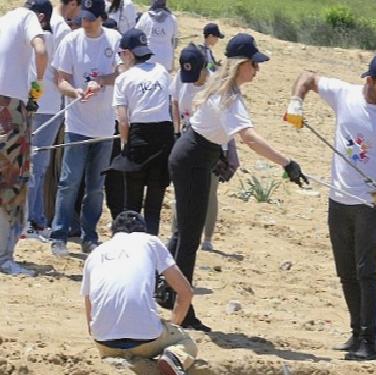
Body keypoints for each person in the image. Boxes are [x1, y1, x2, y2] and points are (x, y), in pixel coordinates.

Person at [166, 33, 307, 332]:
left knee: (184, 235)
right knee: (189, 239)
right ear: (242, 64)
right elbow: (250, 138)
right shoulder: (229, 96)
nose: (257, 70)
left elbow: (209, 126)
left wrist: (217, 154)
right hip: (192, 160)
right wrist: (287, 163)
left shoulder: (222, 86)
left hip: (195, 156)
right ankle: (183, 310)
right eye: (254, 64)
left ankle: (170, 294)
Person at [284, 52, 376, 360]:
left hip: (370, 203)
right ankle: (356, 333)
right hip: (338, 200)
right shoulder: (344, 95)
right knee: (345, 272)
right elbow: (308, 77)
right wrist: (296, 102)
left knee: (365, 271)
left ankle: (371, 339)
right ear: (368, 81)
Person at [81, 210, 197, 375]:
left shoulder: (95, 254)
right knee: (186, 342)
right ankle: (171, 357)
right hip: (146, 340)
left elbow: (89, 308)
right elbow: (185, 292)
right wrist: (173, 326)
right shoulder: (150, 241)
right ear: (143, 230)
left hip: (105, 343)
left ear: (113, 232)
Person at [49, 0, 122, 256]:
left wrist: (101, 81)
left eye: (91, 18)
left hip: (104, 125)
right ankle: (59, 234)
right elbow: (61, 80)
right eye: (83, 17)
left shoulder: (114, 39)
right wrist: (75, 92)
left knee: (95, 187)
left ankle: (89, 236)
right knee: (69, 181)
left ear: (101, 18)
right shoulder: (71, 41)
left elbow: (123, 72)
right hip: (77, 124)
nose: (86, 22)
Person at [169, 43, 239, 251]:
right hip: (187, 139)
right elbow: (174, 103)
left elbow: (227, 121)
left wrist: (229, 151)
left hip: (212, 142)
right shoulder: (181, 79)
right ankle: (177, 233)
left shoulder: (216, 84)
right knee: (181, 191)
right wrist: (176, 130)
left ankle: (207, 237)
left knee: (209, 190)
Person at [0, 0, 50, 276]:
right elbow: (41, 51)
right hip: (12, 107)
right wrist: (37, 87)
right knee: (13, 184)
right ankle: (4, 258)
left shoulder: (3, 19)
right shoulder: (28, 18)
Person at [110, 28, 173, 235]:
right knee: (153, 208)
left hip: (139, 136)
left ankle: (130, 249)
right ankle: (151, 251)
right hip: (164, 135)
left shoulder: (124, 79)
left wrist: (124, 145)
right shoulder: (162, 71)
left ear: (128, 54)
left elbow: (123, 119)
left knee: (132, 206)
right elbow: (170, 105)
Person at [25, 0, 72, 239]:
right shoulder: (43, 39)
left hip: (44, 106)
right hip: (45, 107)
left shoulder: (46, 40)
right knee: (37, 166)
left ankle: (33, 220)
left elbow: (39, 77)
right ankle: (33, 220)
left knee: (36, 166)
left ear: (40, 17)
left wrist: (33, 97)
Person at [135, 0, 177, 72]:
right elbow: (174, 43)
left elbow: (136, 35)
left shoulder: (145, 17)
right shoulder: (172, 19)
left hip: (148, 59)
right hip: (165, 60)